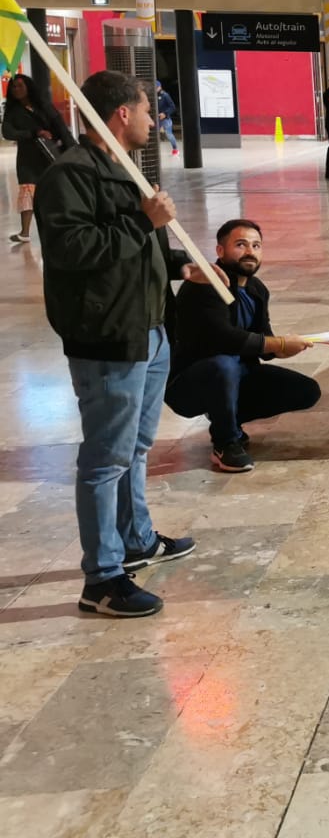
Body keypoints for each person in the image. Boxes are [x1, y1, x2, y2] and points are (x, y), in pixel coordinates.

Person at [34, 70, 201, 618]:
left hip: (149, 329)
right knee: (106, 457)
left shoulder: (125, 168)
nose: (155, 120)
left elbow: (137, 247)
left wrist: (178, 265)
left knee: (135, 447)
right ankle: (102, 578)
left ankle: (136, 540)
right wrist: (142, 220)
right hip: (108, 336)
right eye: (148, 110)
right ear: (122, 113)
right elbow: (73, 251)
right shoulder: (72, 174)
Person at [165, 219, 322, 473]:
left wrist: (283, 347)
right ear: (220, 251)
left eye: (256, 246)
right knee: (223, 363)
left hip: (236, 374)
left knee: (306, 390)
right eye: (241, 245)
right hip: (189, 382)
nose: (250, 251)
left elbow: (263, 340)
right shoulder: (204, 285)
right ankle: (225, 443)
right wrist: (279, 343)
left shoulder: (257, 289)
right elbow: (224, 339)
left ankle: (227, 417)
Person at [4, 72, 75, 245]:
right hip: (28, 157)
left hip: (50, 154)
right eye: (14, 87)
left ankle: (60, 225)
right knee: (27, 190)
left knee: (54, 189)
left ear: (29, 87)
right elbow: (8, 132)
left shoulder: (43, 106)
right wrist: (33, 133)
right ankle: (25, 232)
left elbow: (60, 126)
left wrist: (72, 148)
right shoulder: (12, 111)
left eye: (20, 86)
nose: (16, 89)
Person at [155, 80, 179, 156]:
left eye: (156, 87)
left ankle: (175, 149)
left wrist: (165, 114)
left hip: (164, 119)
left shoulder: (165, 95)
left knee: (169, 134)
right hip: (155, 119)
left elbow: (172, 107)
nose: (155, 89)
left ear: (160, 87)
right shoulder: (152, 96)